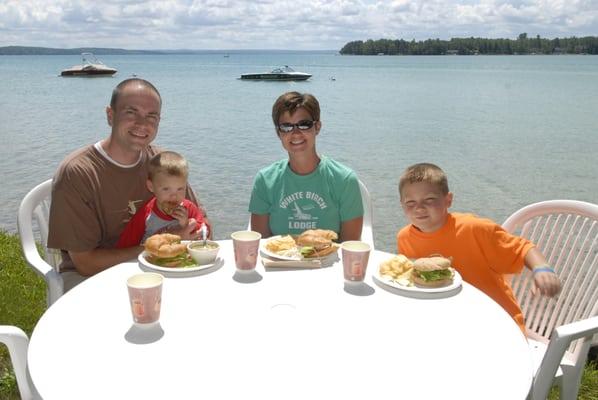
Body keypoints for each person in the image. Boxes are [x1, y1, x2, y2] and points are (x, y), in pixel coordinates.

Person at [48, 78, 207, 284]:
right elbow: (85, 264)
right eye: (131, 112)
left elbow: (202, 220)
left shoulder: (161, 164)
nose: (142, 124)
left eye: (151, 116)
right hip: (93, 278)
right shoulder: (78, 172)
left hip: (159, 268)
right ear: (110, 115)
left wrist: (192, 230)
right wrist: (162, 245)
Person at [396, 162, 560, 333]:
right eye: (410, 202)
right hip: (448, 319)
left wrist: (542, 269)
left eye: (429, 199)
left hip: (497, 320)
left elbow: (523, 248)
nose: (419, 208)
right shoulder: (404, 238)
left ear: (448, 200)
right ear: (402, 205)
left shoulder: (473, 229)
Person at [249, 91, 363, 241]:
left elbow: (349, 246)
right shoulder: (265, 180)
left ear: (318, 127)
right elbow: (261, 244)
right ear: (278, 133)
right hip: (278, 263)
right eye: (286, 127)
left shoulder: (344, 180)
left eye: (304, 125)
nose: (296, 133)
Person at [116, 151, 211, 248]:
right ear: (151, 186)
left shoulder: (189, 208)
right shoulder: (146, 214)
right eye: (166, 189)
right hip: (154, 259)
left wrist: (187, 224)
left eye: (180, 189)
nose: (174, 196)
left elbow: (206, 232)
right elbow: (124, 245)